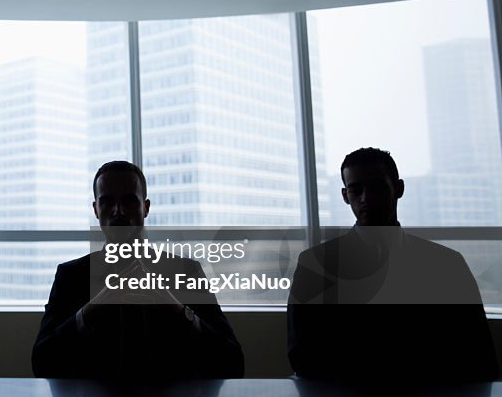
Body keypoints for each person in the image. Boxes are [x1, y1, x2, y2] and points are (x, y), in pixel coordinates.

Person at [287, 147, 498, 381]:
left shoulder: (448, 264)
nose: (365, 198)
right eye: (357, 190)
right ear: (346, 196)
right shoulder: (315, 265)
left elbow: (478, 352)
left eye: (376, 187)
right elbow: (303, 355)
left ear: (399, 189)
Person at [32, 161, 244, 379]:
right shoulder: (71, 276)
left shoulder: (187, 272)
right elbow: (41, 363)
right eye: (107, 202)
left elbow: (233, 363)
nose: (118, 211)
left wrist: (177, 310)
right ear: (96, 210)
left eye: (129, 201)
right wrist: (93, 308)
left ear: (146, 207)